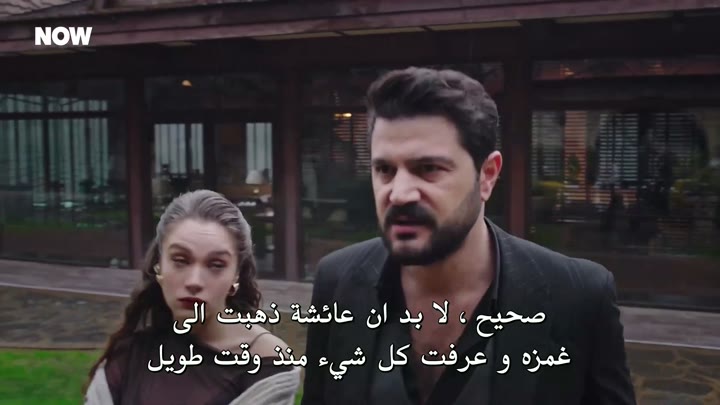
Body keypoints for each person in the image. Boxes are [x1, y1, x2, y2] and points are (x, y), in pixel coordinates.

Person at [301, 67, 636, 405]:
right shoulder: (337, 281)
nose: (399, 194)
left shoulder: (578, 298)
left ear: (487, 176)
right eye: (384, 170)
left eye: (428, 169)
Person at [84, 189, 301, 405]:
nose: (194, 281)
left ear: (236, 275)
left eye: (216, 265)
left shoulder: (265, 360)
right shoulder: (131, 353)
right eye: (180, 260)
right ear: (159, 266)